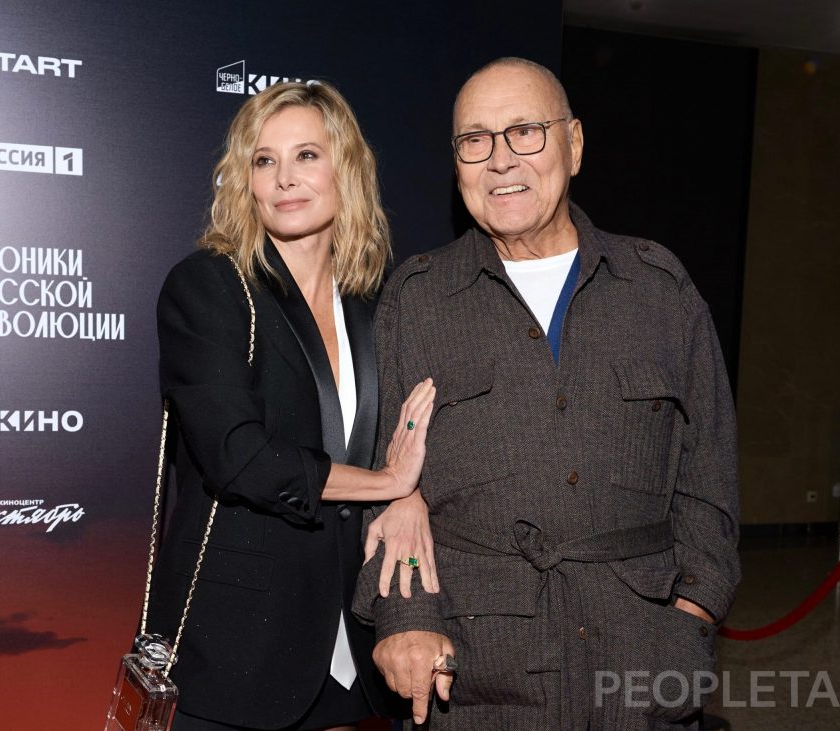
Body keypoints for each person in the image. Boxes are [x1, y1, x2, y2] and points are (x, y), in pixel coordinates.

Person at [353, 57, 740, 730]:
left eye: (525, 131)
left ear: (575, 143)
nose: (500, 159)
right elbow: (384, 487)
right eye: (475, 140)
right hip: (472, 672)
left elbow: (709, 474)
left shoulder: (658, 289)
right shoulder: (418, 299)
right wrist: (406, 619)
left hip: (638, 660)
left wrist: (693, 616)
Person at [151, 80, 439, 731]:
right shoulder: (210, 287)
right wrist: (388, 482)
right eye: (264, 160)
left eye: (307, 155)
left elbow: (406, 436)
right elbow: (239, 457)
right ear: (246, 181)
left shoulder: (376, 301)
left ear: (346, 170)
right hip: (236, 650)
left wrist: (412, 492)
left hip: (350, 639)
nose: (285, 177)